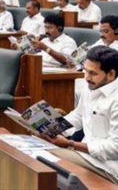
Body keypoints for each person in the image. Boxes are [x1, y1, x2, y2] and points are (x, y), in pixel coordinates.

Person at [44, 45, 118, 184]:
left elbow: (115, 147)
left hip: (108, 166)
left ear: (111, 74)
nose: (87, 78)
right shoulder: (91, 86)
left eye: (93, 73)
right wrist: (51, 127)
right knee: (38, 152)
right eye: (85, 71)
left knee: (46, 157)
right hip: (86, 156)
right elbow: (78, 116)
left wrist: (70, 144)